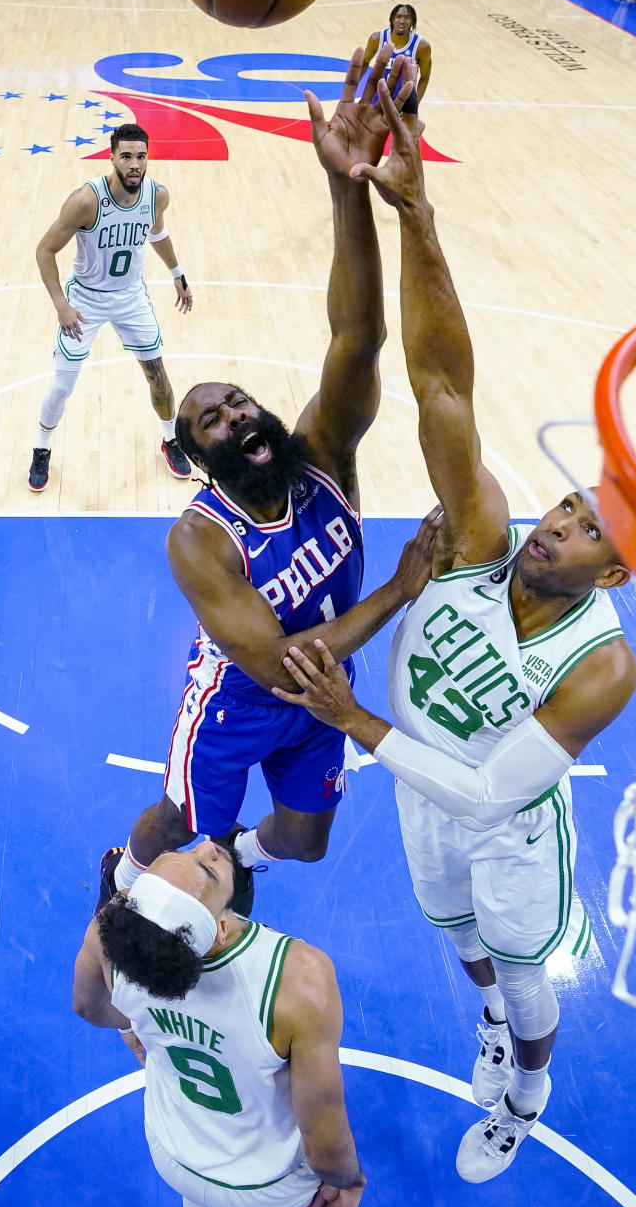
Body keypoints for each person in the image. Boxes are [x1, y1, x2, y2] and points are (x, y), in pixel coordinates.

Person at [274, 83, 636, 1184]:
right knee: (458, 941)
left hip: (505, 826)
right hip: (417, 786)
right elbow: (440, 383)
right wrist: (413, 212)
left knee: (523, 974)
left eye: (583, 533)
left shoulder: (601, 667)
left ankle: (526, 1086)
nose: (557, 527)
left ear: (615, 571)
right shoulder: (484, 536)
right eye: (566, 506)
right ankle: (487, 1021)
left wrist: (353, 718)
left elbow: (489, 795)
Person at [93, 48, 439, 915]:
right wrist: (401, 585)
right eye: (212, 421)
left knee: (307, 843)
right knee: (180, 823)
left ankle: (243, 853)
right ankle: (125, 878)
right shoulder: (199, 536)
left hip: (326, 689)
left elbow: (357, 340)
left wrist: (347, 187)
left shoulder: (321, 456)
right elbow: (283, 661)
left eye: (239, 403)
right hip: (240, 701)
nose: (236, 416)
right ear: (202, 459)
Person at [74, 839, 363, 1207]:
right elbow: (325, 1141)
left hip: (173, 1152)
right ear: (222, 927)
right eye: (206, 869)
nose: (208, 845)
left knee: (197, 1160)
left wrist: (131, 1025)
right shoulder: (296, 977)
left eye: (185, 851)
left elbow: (88, 1007)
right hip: (267, 1189)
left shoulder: (113, 938)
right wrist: (349, 1184)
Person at [29, 123, 193, 492]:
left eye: (141, 156)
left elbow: (157, 232)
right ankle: (42, 448)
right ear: (112, 157)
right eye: (126, 156)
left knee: (158, 376)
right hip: (84, 300)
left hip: (131, 298)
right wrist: (61, 306)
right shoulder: (86, 201)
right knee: (62, 386)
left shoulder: (156, 196)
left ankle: (170, 440)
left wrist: (177, 273)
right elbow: (44, 250)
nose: (135, 164)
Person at [360, 4, 432, 113]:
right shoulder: (377, 39)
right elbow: (364, 63)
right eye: (398, 16)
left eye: (407, 17)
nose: (402, 21)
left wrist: (413, 106)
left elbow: (425, 77)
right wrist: (353, 87)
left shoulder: (421, 46)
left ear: (412, 21)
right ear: (392, 19)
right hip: (375, 101)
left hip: (401, 105)